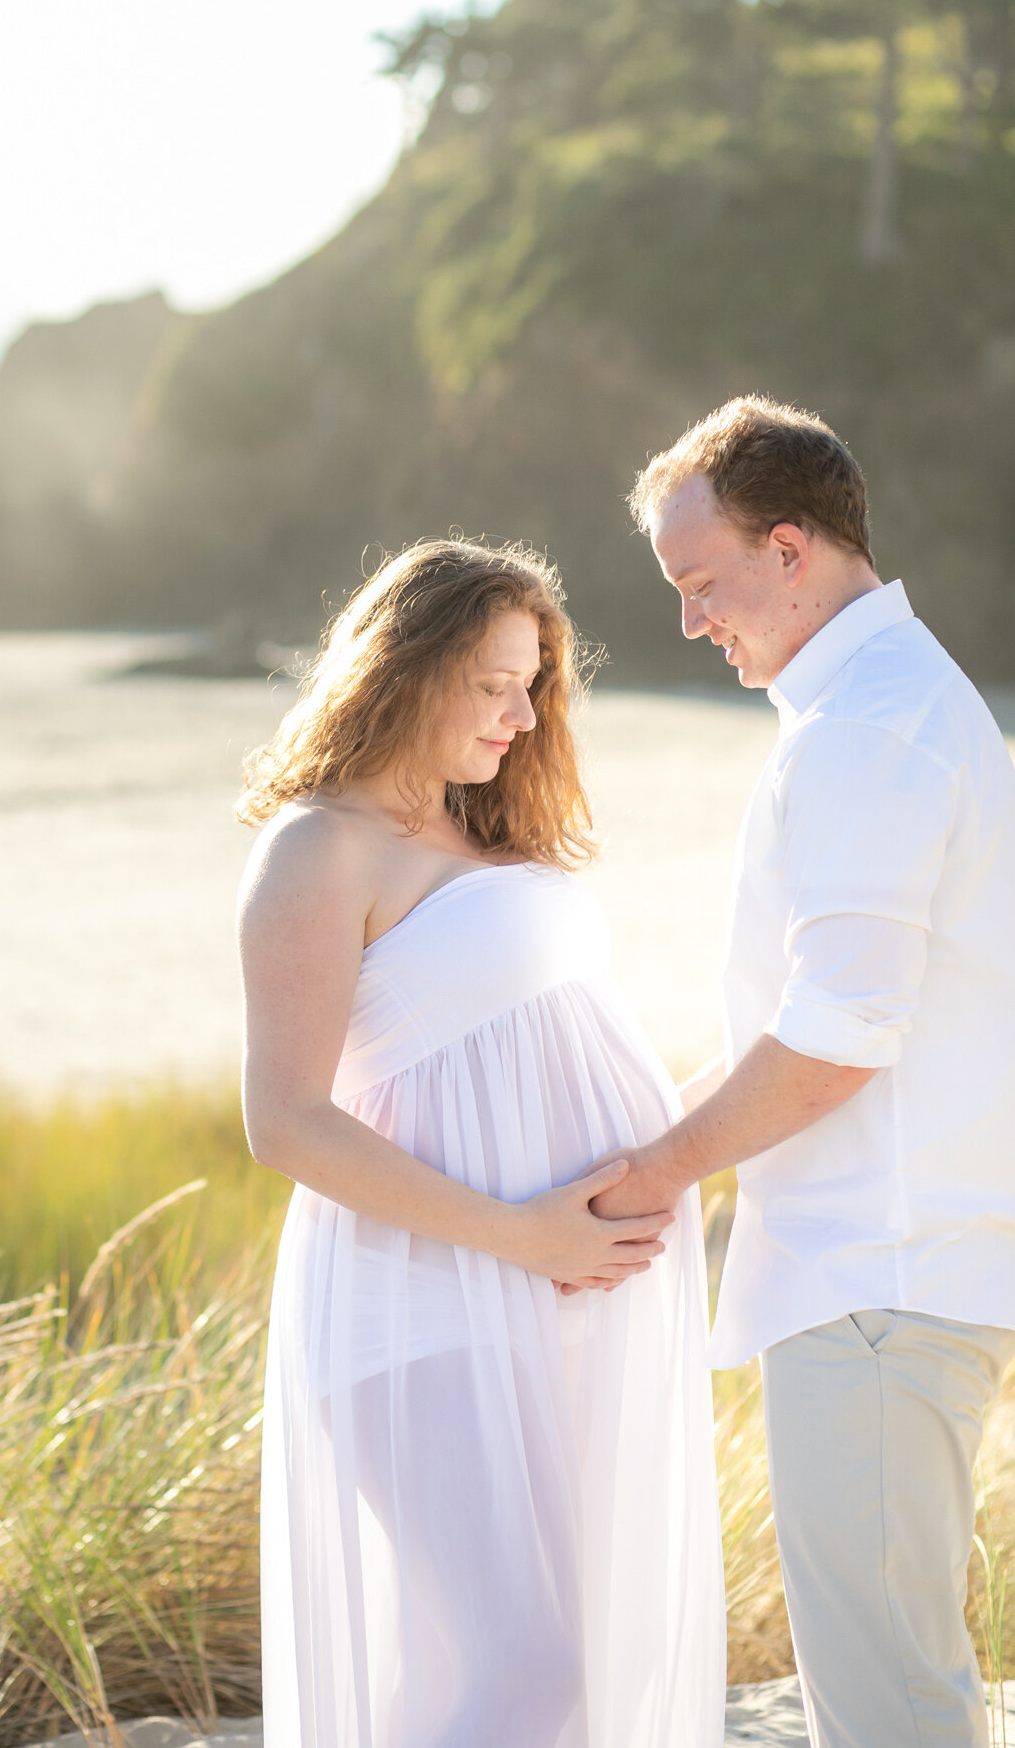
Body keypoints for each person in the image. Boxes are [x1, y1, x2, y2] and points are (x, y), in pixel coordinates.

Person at [236, 539, 725, 1748]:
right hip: (425, 1296)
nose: (521, 714)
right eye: (495, 682)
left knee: (513, 1660)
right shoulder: (318, 848)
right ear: (407, 666)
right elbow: (284, 1119)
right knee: (527, 1663)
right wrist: (521, 1233)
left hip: (549, 1290)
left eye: (534, 686)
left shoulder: (485, 834)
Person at [601, 395, 1015, 1748]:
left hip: (876, 1287)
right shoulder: (877, 706)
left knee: (890, 1707)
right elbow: (821, 1012)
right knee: (887, 1688)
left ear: (790, 550)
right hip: (882, 1281)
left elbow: (840, 1031)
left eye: (700, 582)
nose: (689, 621)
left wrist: (655, 1172)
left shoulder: (864, 728)